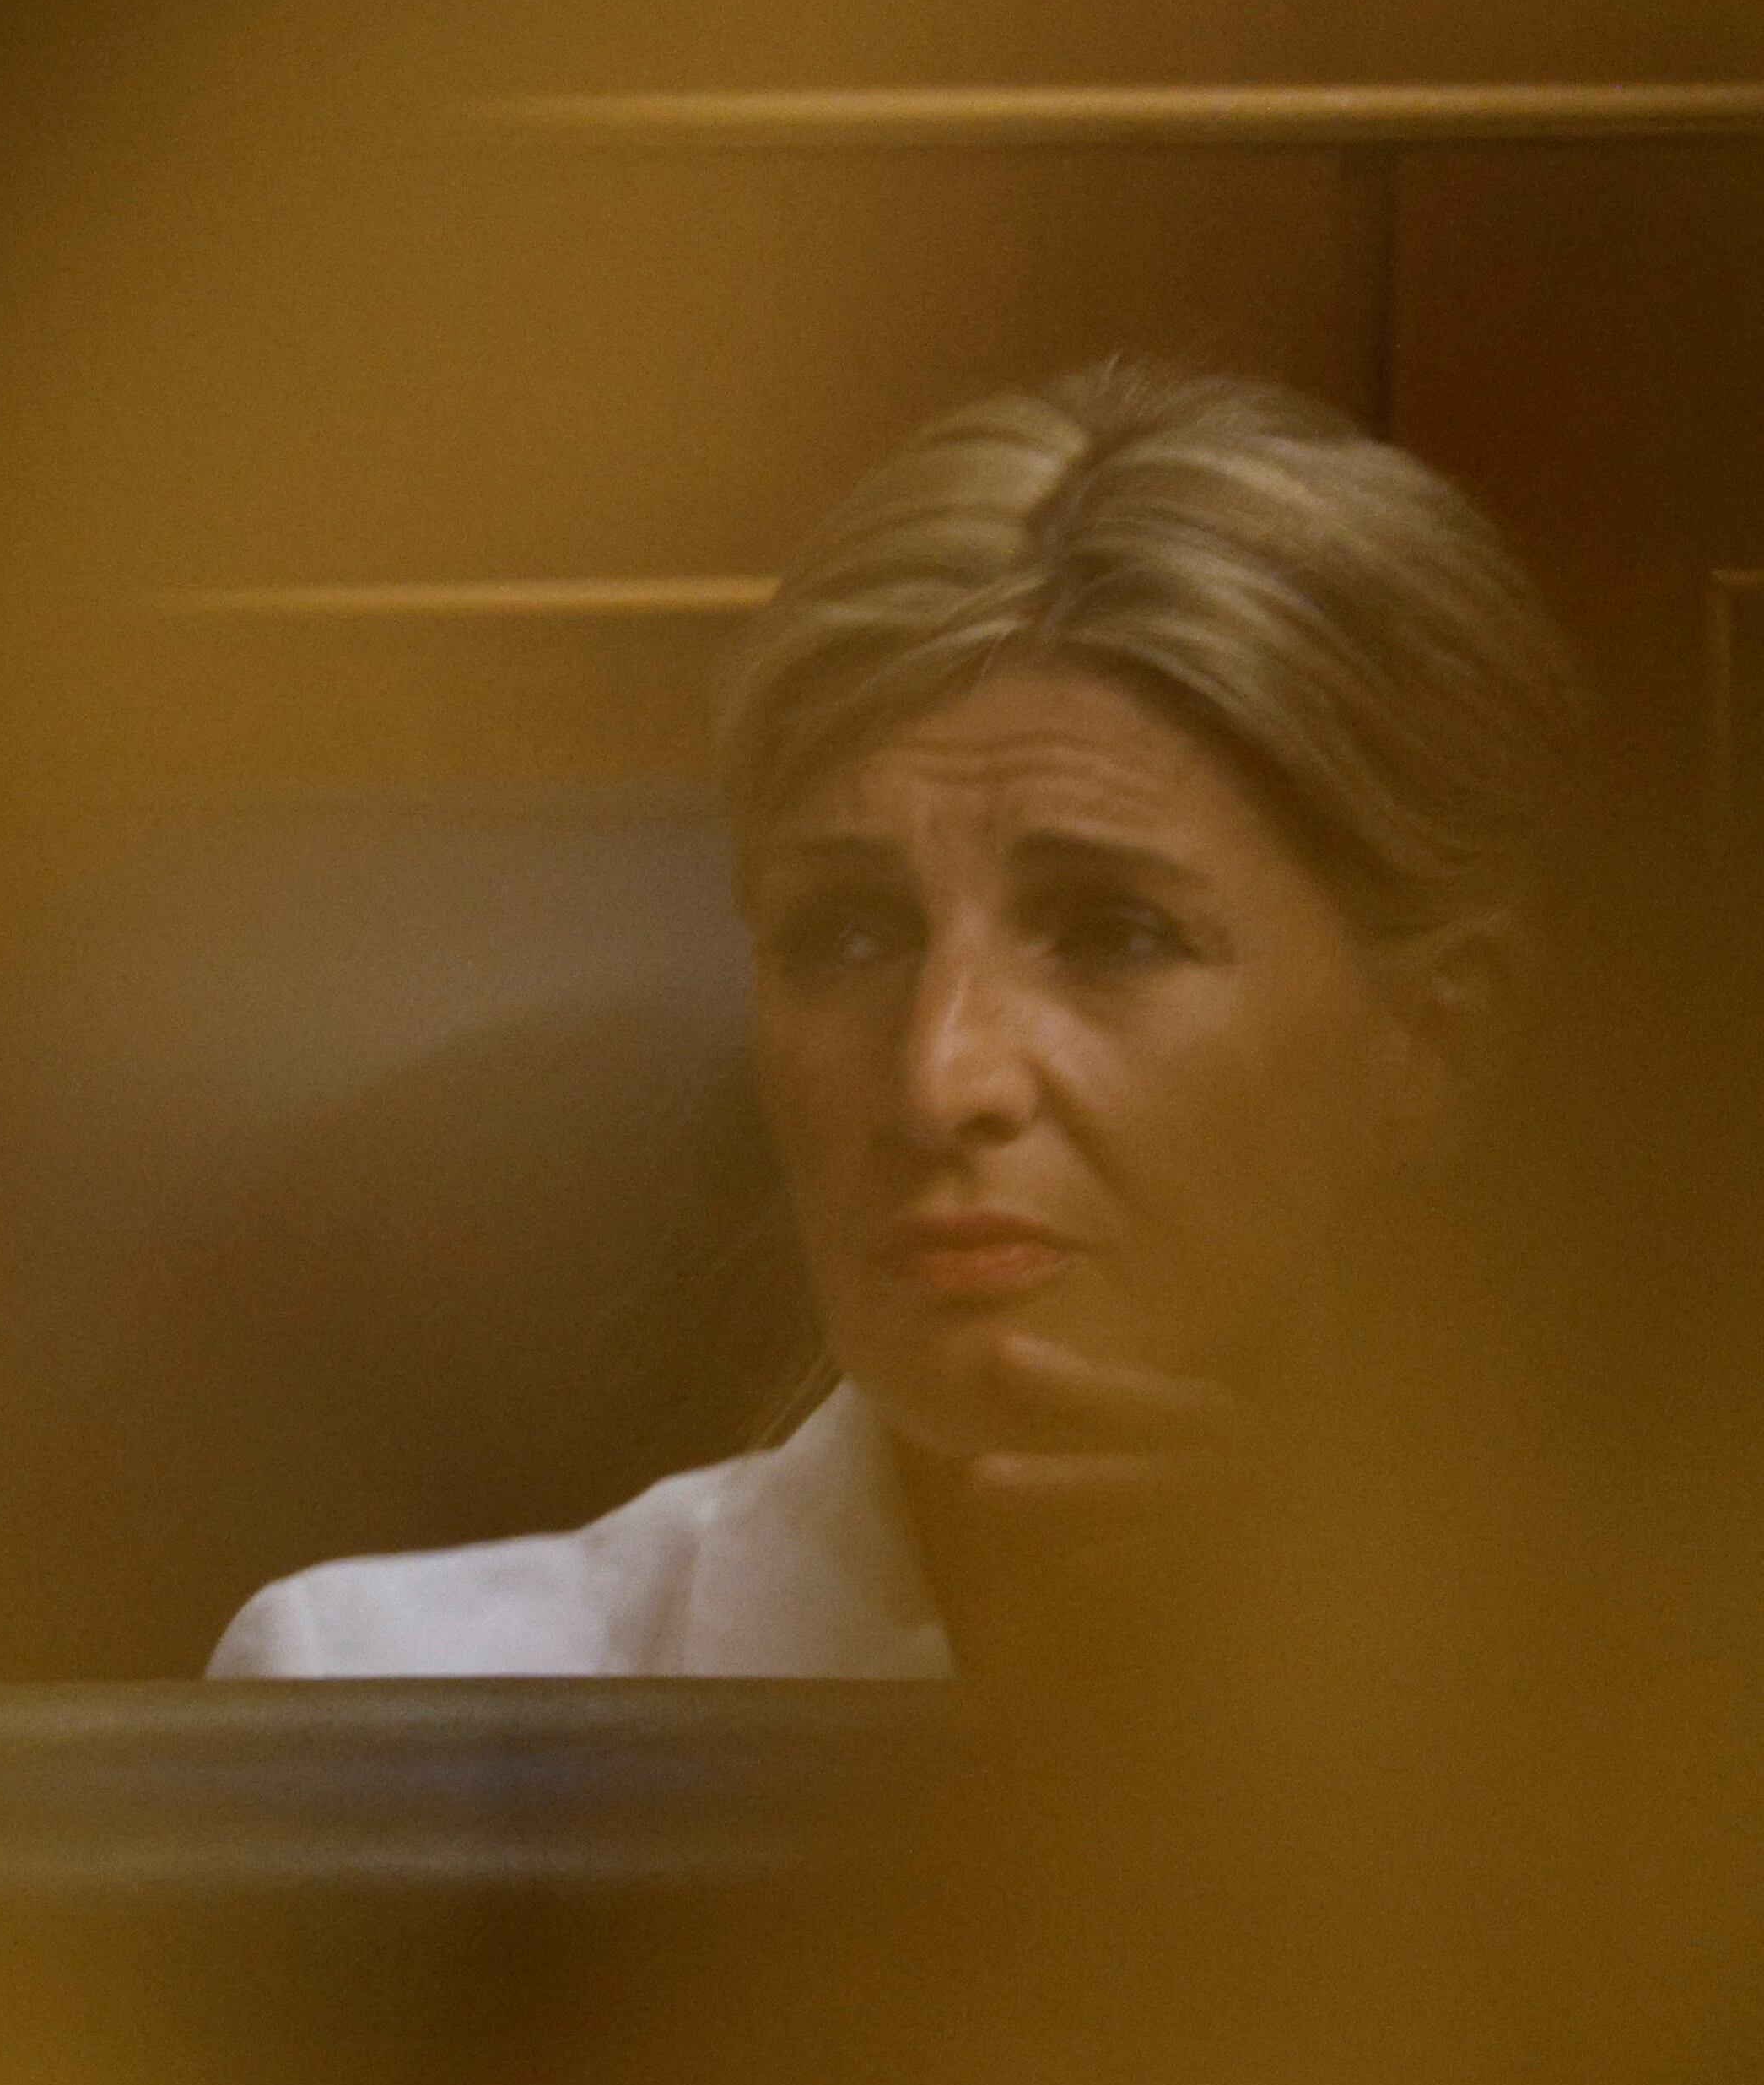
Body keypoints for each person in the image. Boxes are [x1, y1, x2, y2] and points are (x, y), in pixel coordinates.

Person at [210, 358, 1577, 1678]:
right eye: (847, 936)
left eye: (1114, 932)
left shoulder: (1657, 1761)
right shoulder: (393, 1706)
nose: (938, 1077)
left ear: (1431, 1044)